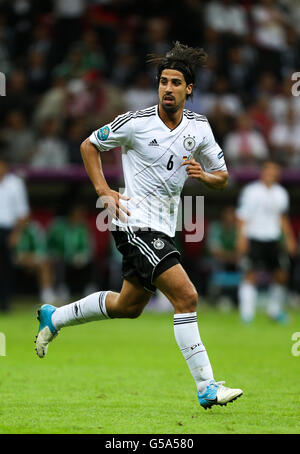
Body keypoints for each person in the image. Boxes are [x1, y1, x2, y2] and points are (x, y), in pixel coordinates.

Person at [35, 42, 243, 410]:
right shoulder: (135, 122)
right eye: (163, 81)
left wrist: (204, 176)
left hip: (164, 226)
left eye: (175, 82)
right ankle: (207, 386)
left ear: (189, 89)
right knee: (187, 296)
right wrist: (103, 191)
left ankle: (56, 317)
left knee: (128, 306)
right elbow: (88, 145)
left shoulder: (200, 128)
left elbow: (224, 178)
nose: (167, 88)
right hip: (133, 222)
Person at [236, 160, 297, 323]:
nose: (272, 174)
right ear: (263, 172)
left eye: (275, 171)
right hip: (254, 237)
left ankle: (274, 311)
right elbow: (242, 217)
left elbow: (282, 218)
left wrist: (289, 238)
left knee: (281, 274)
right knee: (250, 275)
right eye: (269, 170)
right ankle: (247, 314)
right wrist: (241, 239)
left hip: (273, 239)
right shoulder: (251, 191)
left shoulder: (281, 193)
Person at [0, 154, 30, 312]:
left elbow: (22, 212)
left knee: (6, 268)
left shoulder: (15, 184)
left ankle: (5, 302)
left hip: (7, 230)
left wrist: (16, 234)